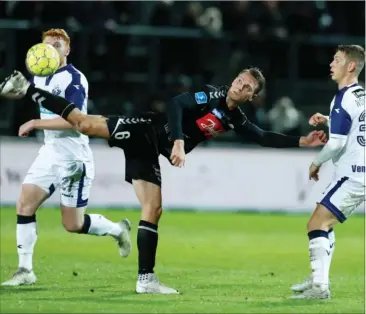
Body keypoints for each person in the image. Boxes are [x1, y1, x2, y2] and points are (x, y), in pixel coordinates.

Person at [0, 67, 327, 293]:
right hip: (147, 128)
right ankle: (29, 89)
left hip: (151, 148)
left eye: (247, 87)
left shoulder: (234, 117)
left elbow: (262, 136)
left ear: (252, 96)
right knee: (84, 124)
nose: (240, 86)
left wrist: (302, 142)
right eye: (240, 80)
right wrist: (180, 141)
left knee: (153, 209)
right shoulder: (211, 96)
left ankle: (146, 280)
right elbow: (177, 103)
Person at [1, 29, 132, 287]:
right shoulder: (38, 77)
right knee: (25, 204)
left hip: (74, 156)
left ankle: (118, 230)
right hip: (50, 152)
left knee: (72, 224)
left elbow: (77, 123)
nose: (51, 49)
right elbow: (19, 90)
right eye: (47, 45)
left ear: (67, 50)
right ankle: (25, 270)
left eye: (57, 45)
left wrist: (36, 122)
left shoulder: (74, 79)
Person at [291, 45, 365, 300]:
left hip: (353, 175)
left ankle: (320, 287)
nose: (331, 64)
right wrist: (328, 119)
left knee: (316, 223)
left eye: (337, 60)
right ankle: (317, 278)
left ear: (351, 66)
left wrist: (316, 162)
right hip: (358, 173)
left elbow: (336, 143)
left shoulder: (343, 97)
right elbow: (354, 126)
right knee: (325, 223)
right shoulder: (360, 96)